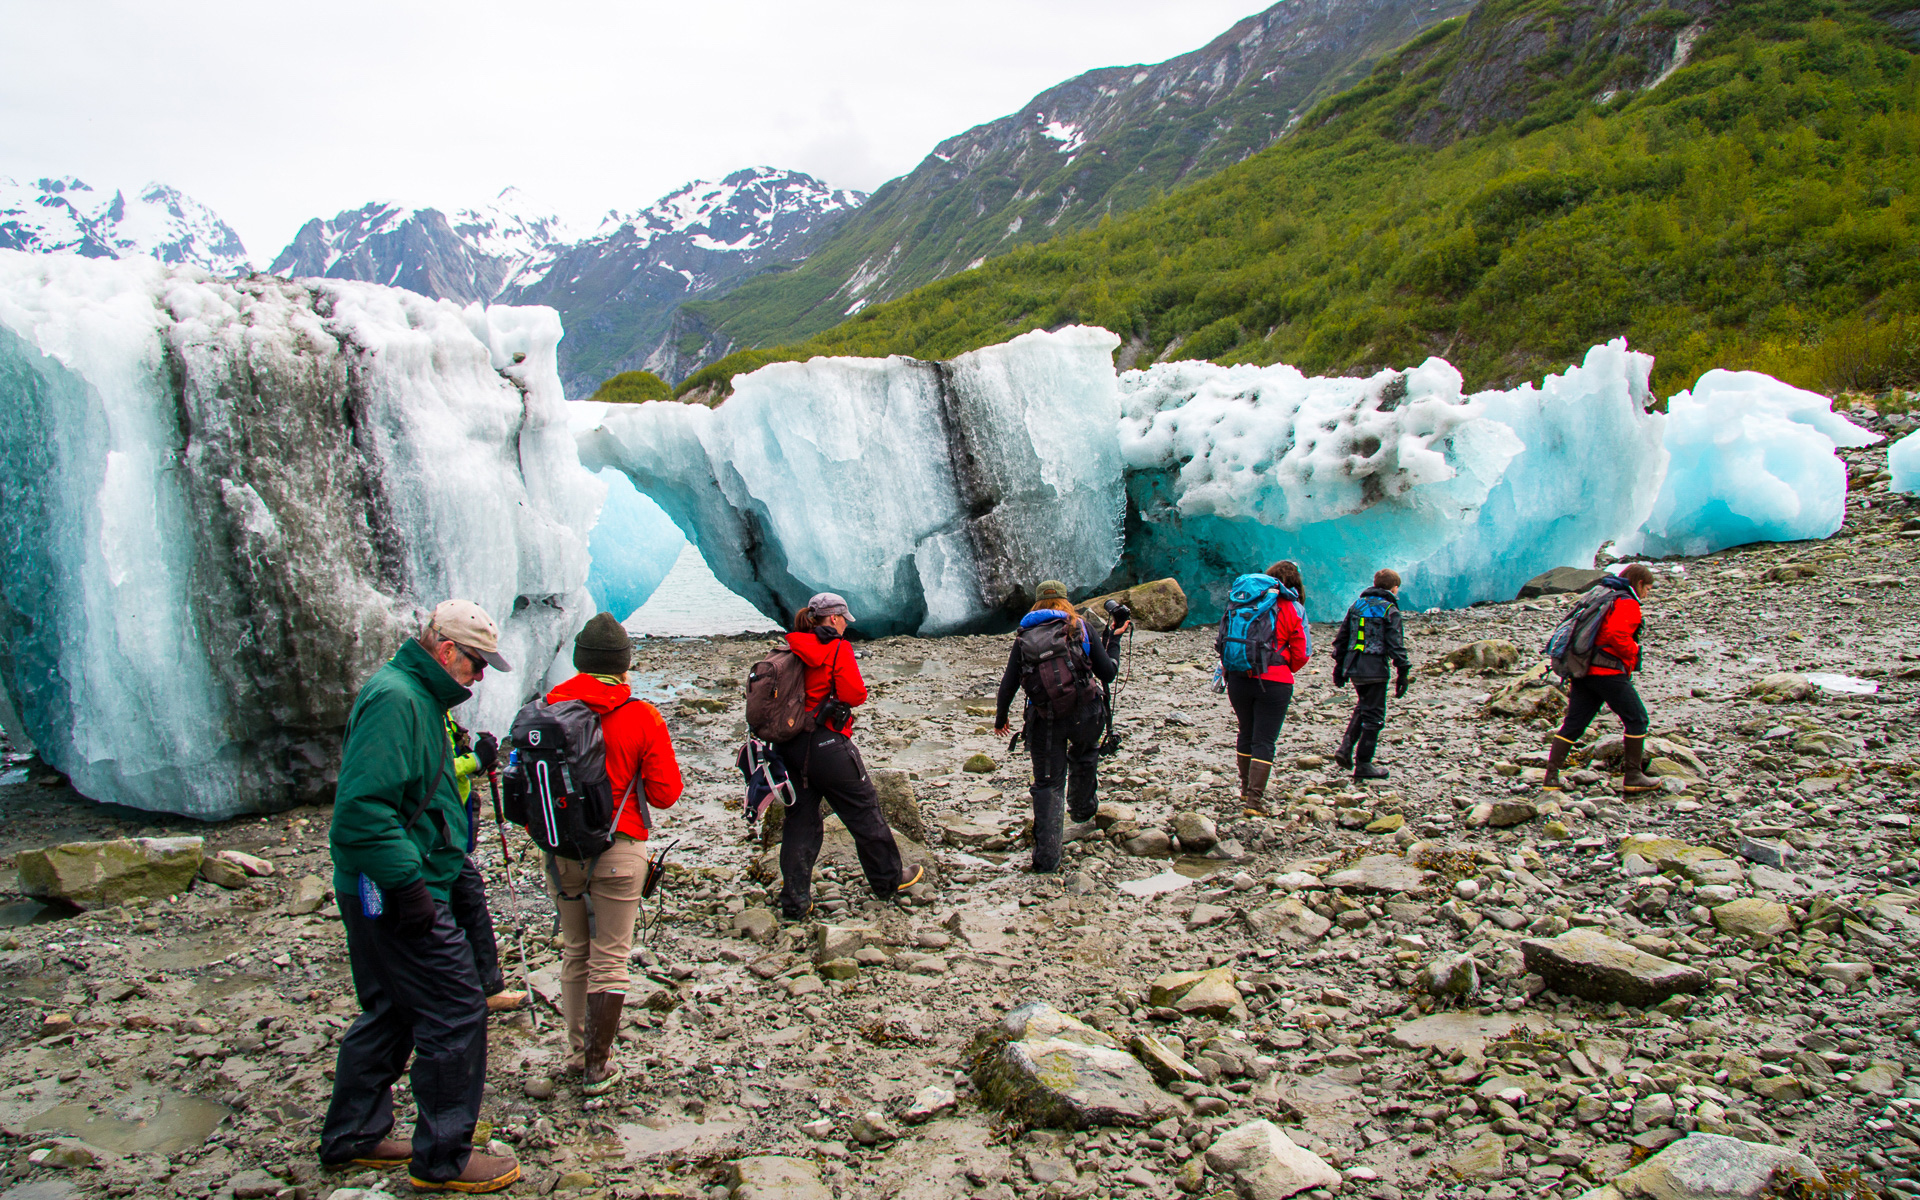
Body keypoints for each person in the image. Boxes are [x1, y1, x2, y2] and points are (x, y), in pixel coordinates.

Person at [322, 600, 519, 1194]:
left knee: (392, 1009)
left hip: (383, 885)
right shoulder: (400, 701)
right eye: (477, 663)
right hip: (393, 889)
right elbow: (361, 811)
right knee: (457, 1008)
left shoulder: (414, 697)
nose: (480, 676)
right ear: (447, 651)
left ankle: (353, 1135)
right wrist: (409, 886)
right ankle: (444, 1159)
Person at [541, 612, 684, 1094]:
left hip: (562, 853)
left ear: (580, 662)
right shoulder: (641, 715)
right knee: (611, 956)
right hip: (622, 849)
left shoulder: (546, 713)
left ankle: (574, 1050)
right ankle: (597, 1067)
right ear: (622, 665)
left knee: (576, 951)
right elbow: (666, 793)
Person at [774, 592, 923, 920]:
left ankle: (795, 901)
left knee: (800, 820)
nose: (845, 625)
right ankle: (889, 880)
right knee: (864, 810)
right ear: (834, 619)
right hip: (827, 743)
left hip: (792, 746)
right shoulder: (837, 647)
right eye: (844, 619)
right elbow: (855, 694)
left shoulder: (794, 646)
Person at [992, 581, 1129, 872]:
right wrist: (1113, 640)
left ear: (1037, 603)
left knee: (1048, 783)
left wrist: (1001, 717)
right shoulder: (1081, 627)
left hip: (1045, 718)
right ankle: (1082, 811)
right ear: (1066, 601)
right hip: (1085, 713)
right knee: (1084, 753)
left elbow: (1009, 684)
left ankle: (1047, 860)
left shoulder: (1024, 637)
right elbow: (1108, 672)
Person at [1542, 563, 1659, 793]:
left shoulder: (1603, 595)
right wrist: (1634, 652)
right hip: (1608, 672)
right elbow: (1617, 634)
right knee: (1637, 719)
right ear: (1640, 583)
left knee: (1574, 724)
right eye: (1648, 588)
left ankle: (1551, 777)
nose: (1647, 594)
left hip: (1583, 669)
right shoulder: (1627, 603)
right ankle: (1633, 776)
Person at [443, 718, 525, 1014]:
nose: (478, 677)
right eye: (477, 667)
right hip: (433, 832)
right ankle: (475, 989)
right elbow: (430, 769)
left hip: (448, 825)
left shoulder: (440, 711)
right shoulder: (414, 709)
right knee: (462, 901)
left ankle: (480, 987)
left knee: (466, 898)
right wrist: (476, 759)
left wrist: (474, 757)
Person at [1222, 562, 1311, 817]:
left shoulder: (1240, 603)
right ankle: (1254, 801)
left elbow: (1223, 641)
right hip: (1275, 682)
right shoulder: (1293, 607)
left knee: (1246, 731)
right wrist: (1284, 667)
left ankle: (1244, 788)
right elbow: (1302, 652)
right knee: (1264, 740)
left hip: (1238, 678)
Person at [1332, 569, 1413, 781]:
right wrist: (1403, 671)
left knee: (1364, 706)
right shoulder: (1389, 610)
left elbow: (1342, 638)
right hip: (1375, 669)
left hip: (1354, 667)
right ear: (1394, 588)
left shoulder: (1357, 606)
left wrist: (1339, 668)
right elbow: (1396, 644)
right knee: (1374, 718)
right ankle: (1364, 764)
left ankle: (1345, 749)